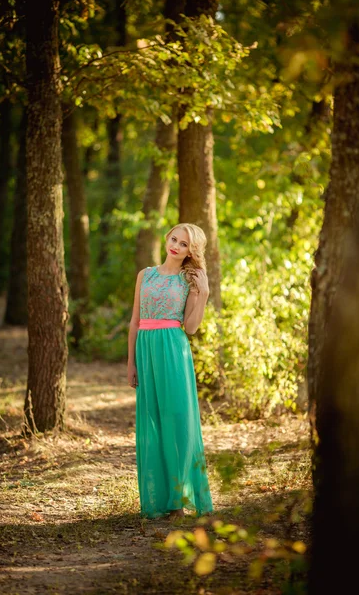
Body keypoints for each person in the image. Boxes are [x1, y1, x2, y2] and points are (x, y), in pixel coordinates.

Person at [127, 223, 214, 520]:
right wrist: (131, 362)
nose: (176, 246)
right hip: (146, 349)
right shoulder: (145, 275)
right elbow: (135, 321)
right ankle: (158, 498)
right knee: (153, 420)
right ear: (167, 239)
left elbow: (190, 327)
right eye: (174, 239)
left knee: (178, 419)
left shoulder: (188, 280)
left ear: (192, 251)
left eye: (184, 244)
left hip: (174, 350)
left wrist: (203, 294)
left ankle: (179, 499)